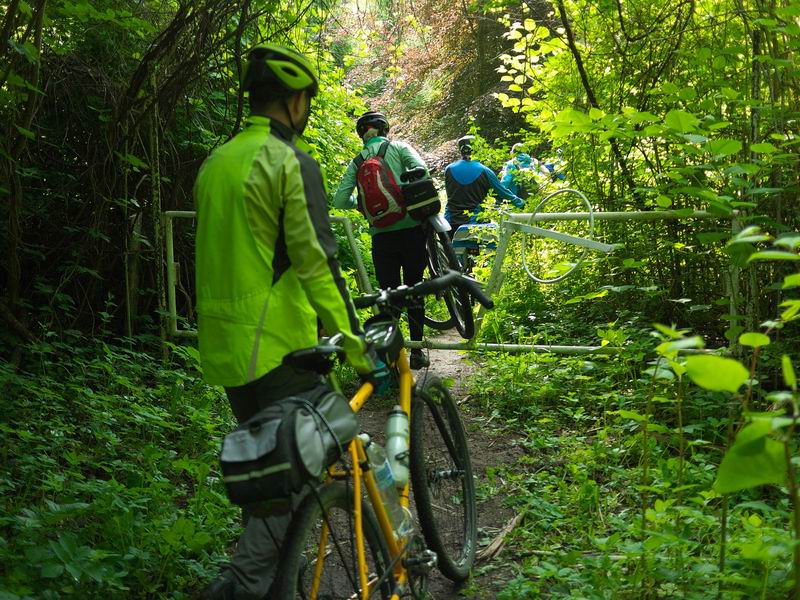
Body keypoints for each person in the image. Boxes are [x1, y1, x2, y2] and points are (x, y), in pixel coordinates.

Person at [194, 44, 384, 600]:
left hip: (227, 350)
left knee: (270, 481)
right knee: (292, 484)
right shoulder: (286, 161)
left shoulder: (216, 161)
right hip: (278, 349)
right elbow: (316, 261)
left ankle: (277, 584)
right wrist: (355, 345)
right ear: (296, 100)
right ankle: (237, 589)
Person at [331, 111, 431, 370]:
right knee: (414, 288)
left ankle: (391, 360)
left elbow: (339, 200)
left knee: (388, 295)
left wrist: (360, 205)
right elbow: (424, 172)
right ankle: (418, 350)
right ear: (384, 129)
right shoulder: (399, 147)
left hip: (381, 237)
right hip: (411, 230)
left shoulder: (357, 162)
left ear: (363, 134)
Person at [443, 135, 524, 235]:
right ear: (477, 149)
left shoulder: (449, 169)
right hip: (474, 223)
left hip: (450, 222)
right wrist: (520, 203)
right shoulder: (485, 171)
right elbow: (502, 192)